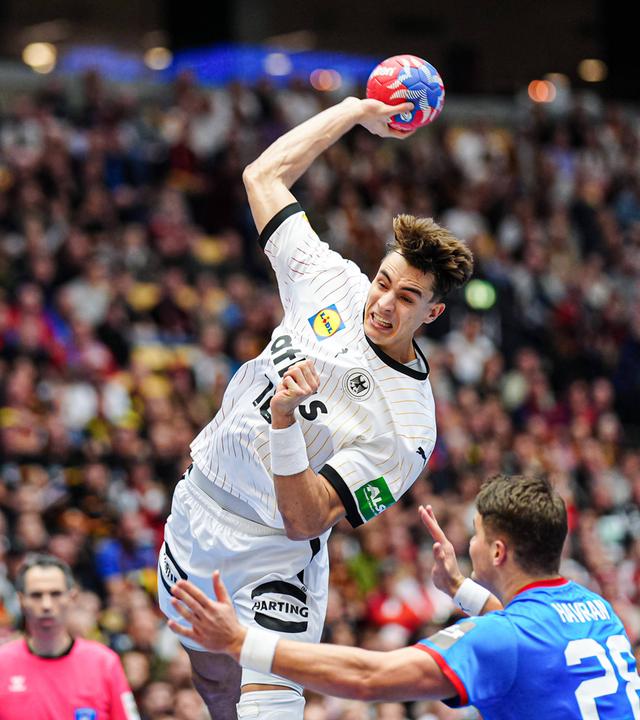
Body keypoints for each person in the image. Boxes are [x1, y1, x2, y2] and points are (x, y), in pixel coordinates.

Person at [156, 95, 474, 719]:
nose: (384, 304)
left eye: (408, 298)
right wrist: (354, 111)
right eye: (384, 282)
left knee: (269, 710)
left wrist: (284, 423)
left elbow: (305, 520)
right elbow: (263, 176)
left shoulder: (410, 426)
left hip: (276, 555)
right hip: (198, 509)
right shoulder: (332, 281)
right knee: (213, 681)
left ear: (432, 313)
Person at [168, 474, 640, 720]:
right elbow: (530, 636)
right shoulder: (594, 608)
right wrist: (459, 588)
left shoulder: (503, 639)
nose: (468, 542)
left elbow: (369, 677)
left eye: (475, 534)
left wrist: (240, 642)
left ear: (498, 551)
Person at [0, 553, 140, 720]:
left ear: (72, 597)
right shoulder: (2, 663)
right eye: (36, 595)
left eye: (56, 594)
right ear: (21, 600)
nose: (46, 605)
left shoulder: (104, 663)